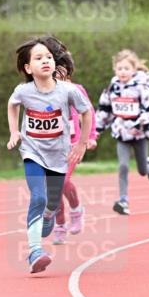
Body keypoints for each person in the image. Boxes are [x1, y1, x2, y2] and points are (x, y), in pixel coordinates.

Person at [6, 37, 91, 273]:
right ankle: (35, 251)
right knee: (38, 198)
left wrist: (82, 143)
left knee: (52, 204)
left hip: (59, 156)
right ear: (27, 67)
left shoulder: (68, 90)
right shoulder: (23, 91)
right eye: (38, 58)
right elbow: (12, 105)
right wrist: (15, 131)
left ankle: (49, 216)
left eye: (49, 57)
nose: (45, 61)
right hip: (32, 152)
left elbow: (86, 113)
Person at [95, 49, 149, 215]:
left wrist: (140, 124)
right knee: (123, 166)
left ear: (134, 69)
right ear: (115, 69)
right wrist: (96, 130)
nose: (123, 72)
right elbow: (104, 110)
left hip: (139, 135)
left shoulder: (142, 87)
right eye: (119, 68)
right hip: (121, 134)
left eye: (126, 68)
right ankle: (123, 200)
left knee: (142, 170)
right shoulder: (112, 88)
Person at [50, 48, 98, 243]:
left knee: (60, 182)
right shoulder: (43, 92)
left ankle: (76, 209)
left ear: (69, 75)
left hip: (72, 145)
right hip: (50, 147)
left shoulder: (76, 90)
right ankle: (60, 223)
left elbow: (89, 113)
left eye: (63, 76)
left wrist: (91, 136)